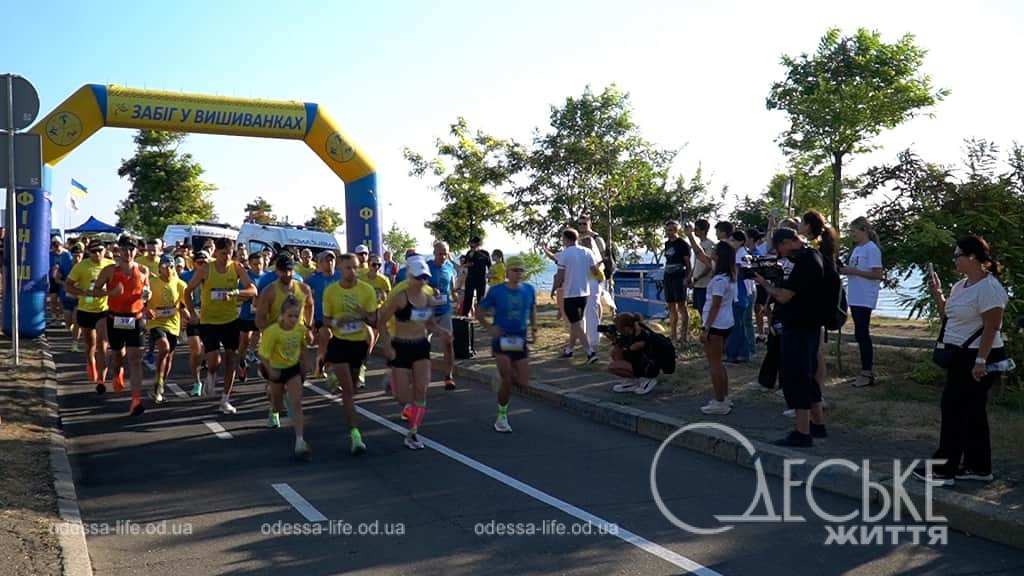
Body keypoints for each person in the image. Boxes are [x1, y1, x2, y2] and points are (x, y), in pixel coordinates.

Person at [913, 236, 1009, 487]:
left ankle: (945, 469)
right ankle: (979, 466)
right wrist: (938, 294)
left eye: (958, 255)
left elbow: (992, 326)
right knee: (972, 412)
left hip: (978, 356)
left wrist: (980, 360)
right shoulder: (961, 286)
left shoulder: (989, 288)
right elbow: (949, 314)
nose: (954, 259)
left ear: (973, 257)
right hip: (958, 355)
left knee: (954, 409)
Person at [754, 227, 829, 447]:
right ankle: (817, 425)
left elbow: (785, 296)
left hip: (800, 327)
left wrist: (766, 285)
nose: (781, 254)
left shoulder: (806, 262)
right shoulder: (814, 256)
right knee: (808, 375)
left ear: (788, 242)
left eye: (780, 249)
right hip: (809, 326)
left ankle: (802, 432)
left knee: (797, 378)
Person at [183, 238, 257, 413]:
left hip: (230, 320)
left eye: (230, 253)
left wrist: (236, 292)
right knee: (214, 360)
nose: (226, 257)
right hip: (209, 321)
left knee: (231, 359)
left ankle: (225, 399)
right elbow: (187, 291)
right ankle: (210, 374)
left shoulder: (236, 267)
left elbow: (253, 290)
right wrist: (193, 314)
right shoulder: (206, 268)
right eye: (223, 253)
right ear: (216, 253)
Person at [377, 258, 441, 450]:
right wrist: (387, 345)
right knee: (403, 398)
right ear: (410, 277)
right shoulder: (400, 297)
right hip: (401, 346)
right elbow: (382, 321)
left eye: (425, 278)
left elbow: (429, 323)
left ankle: (413, 433)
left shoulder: (429, 297)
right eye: (419, 277)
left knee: (422, 389)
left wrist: (441, 331)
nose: (422, 281)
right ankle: (393, 382)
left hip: (420, 346)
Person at [322, 253, 379, 454]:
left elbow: (374, 319)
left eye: (355, 267)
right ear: (339, 268)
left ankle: (337, 376)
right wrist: (338, 322)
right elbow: (326, 320)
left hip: (359, 344)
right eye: (348, 268)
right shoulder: (331, 292)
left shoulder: (367, 290)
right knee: (347, 391)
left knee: (353, 389)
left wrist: (363, 314)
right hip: (339, 343)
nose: (352, 272)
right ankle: (355, 436)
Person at [476, 255, 537, 432]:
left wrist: (534, 329)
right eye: (515, 270)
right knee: (508, 377)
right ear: (507, 272)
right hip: (501, 339)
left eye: (520, 270)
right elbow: (479, 312)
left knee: (524, 383)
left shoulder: (529, 290)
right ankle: (501, 416)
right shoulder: (496, 291)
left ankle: (501, 380)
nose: (518, 273)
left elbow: (532, 308)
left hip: (520, 339)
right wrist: (490, 327)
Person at [92, 236, 151, 416]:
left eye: (132, 249)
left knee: (135, 358)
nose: (129, 253)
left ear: (136, 251)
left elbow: (146, 293)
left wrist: (147, 302)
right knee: (117, 355)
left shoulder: (143, 270)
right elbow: (95, 291)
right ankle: (117, 370)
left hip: (136, 318)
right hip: (115, 318)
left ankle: (136, 401)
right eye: (125, 249)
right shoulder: (110, 270)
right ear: (119, 250)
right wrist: (111, 292)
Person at [259, 295, 313, 460]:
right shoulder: (272, 332)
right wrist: (270, 371)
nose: (293, 319)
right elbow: (263, 356)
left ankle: (299, 440)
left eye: (297, 316)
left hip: (292, 369)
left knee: (297, 403)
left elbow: (304, 346)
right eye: (290, 315)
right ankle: (273, 408)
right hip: (276, 369)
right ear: (282, 315)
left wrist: (305, 365)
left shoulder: (300, 329)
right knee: (278, 405)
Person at [689, 234, 738, 415]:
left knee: (714, 364)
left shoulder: (719, 280)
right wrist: (690, 236)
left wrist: (706, 328)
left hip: (716, 325)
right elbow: (701, 255)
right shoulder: (728, 274)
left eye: (715, 251)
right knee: (719, 363)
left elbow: (715, 305)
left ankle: (720, 402)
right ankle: (724, 397)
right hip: (726, 322)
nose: (712, 253)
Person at [65, 240, 115, 390]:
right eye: (94, 251)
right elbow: (68, 285)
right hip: (85, 310)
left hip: (104, 310)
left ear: (105, 250)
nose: (98, 254)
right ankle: (90, 361)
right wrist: (82, 292)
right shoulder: (81, 266)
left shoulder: (111, 265)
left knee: (103, 345)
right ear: (89, 252)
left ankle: (101, 379)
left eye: (100, 250)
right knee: (90, 344)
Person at [841, 217, 884, 388]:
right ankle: (864, 371)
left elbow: (877, 274)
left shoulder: (871, 249)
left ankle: (867, 372)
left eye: (854, 231)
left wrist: (854, 271)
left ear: (864, 230)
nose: (851, 234)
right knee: (859, 334)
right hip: (855, 295)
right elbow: (854, 270)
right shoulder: (857, 249)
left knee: (862, 333)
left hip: (865, 296)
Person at [800, 210, 839, 396]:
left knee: (814, 354)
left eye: (802, 222)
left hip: (815, 306)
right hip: (819, 305)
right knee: (816, 353)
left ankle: (815, 396)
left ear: (808, 226)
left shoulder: (814, 248)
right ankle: (816, 395)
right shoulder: (822, 246)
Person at [552, 228, 601, 364]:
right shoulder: (587, 252)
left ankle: (590, 352)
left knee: (575, 324)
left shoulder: (565, 254)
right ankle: (569, 350)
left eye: (563, 239)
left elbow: (560, 276)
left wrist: (554, 288)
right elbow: (595, 271)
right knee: (576, 323)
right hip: (584, 294)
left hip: (570, 294)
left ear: (566, 239)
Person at [144, 255, 188, 403]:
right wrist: (145, 309)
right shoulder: (151, 283)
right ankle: (158, 382)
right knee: (164, 347)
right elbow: (141, 300)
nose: (168, 270)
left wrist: (188, 316)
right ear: (159, 269)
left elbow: (183, 304)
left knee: (169, 356)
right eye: (164, 267)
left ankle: (161, 381)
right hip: (156, 322)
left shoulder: (180, 284)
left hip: (173, 323)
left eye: (171, 267)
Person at [607, 312, 664, 396]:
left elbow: (632, 349)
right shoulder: (627, 335)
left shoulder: (641, 335)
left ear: (626, 328)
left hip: (649, 367)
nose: (617, 330)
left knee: (614, 365)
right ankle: (632, 381)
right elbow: (619, 351)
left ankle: (647, 379)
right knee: (614, 353)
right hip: (639, 364)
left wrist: (626, 348)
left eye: (618, 328)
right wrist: (614, 340)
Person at [426, 242, 458, 390]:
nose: (443, 256)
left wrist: (457, 299)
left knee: (448, 342)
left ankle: (448, 376)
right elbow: (417, 285)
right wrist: (430, 289)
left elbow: (452, 288)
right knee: (422, 346)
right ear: (434, 252)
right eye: (440, 253)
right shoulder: (427, 267)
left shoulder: (449, 267)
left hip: (444, 310)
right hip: (427, 312)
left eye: (445, 253)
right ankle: (420, 374)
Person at [305, 251, 340, 379]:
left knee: (334, 344)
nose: (330, 263)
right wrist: (309, 318)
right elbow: (303, 294)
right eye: (326, 260)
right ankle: (318, 367)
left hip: (339, 317)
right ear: (319, 263)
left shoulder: (340, 276)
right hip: (321, 317)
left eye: (332, 260)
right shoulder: (313, 279)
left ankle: (327, 365)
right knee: (326, 336)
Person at [577, 216, 608, 353]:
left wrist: (598, 269)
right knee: (587, 307)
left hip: (596, 275)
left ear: (589, 223)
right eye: (580, 224)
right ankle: (587, 335)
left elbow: (604, 256)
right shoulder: (577, 238)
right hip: (583, 277)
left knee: (594, 306)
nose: (582, 226)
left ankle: (595, 335)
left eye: (584, 223)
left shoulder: (597, 238)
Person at [725, 230, 755, 363]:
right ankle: (742, 352)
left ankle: (738, 353)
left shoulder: (740, 256)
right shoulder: (743, 254)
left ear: (740, 241)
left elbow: (736, 275)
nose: (731, 243)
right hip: (744, 292)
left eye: (733, 240)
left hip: (740, 293)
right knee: (741, 324)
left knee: (738, 325)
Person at [180, 251, 207, 395]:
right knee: (196, 349)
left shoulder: (212, 276)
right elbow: (178, 296)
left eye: (205, 262)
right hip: (192, 315)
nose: (202, 265)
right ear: (194, 262)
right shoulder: (185, 276)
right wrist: (183, 313)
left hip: (209, 316)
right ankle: (197, 381)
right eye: (199, 262)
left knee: (207, 350)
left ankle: (206, 372)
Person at [236, 251, 266, 383]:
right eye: (255, 264)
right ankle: (241, 361)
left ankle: (253, 353)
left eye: (260, 263)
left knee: (259, 336)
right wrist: (251, 297)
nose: (258, 266)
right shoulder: (246, 277)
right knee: (244, 341)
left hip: (262, 314)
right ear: (250, 264)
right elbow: (239, 296)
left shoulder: (267, 277)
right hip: (247, 314)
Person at [662, 220, 692, 345]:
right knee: (671, 306)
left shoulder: (683, 244)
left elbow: (688, 264)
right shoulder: (667, 244)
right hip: (668, 276)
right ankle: (673, 335)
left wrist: (687, 278)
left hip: (679, 276)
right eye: (668, 230)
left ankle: (683, 336)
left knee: (681, 306)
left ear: (676, 230)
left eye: (672, 230)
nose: (669, 233)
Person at [58, 243, 84, 351]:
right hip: (68, 297)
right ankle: (75, 331)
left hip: (81, 298)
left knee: (76, 320)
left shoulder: (85, 266)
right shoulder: (66, 265)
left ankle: (75, 344)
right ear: (71, 255)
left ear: (82, 255)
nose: (77, 258)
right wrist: (65, 284)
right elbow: (57, 278)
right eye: (75, 255)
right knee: (68, 322)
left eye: (79, 255)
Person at [690, 220, 717, 320]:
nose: (694, 231)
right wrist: (691, 277)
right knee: (700, 311)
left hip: (705, 285)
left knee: (705, 311)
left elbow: (709, 266)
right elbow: (697, 264)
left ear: (703, 230)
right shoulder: (699, 244)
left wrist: (697, 278)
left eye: (696, 229)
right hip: (698, 284)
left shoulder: (709, 245)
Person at [460, 237, 491, 316]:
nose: (471, 246)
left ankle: (480, 316)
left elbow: (489, 266)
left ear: (478, 244)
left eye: (473, 244)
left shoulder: (485, 253)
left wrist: (490, 275)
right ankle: (465, 315)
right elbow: (465, 264)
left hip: (481, 279)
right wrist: (468, 262)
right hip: (470, 279)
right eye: (470, 244)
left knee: (480, 298)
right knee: (468, 297)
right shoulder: (469, 253)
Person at [48, 238, 69, 323]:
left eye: (58, 245)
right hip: (52, 280)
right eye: (54, 245)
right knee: (53, 299)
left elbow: (69, 268)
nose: (56, 247)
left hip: (63, 279)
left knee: (62, 300)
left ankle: (61, 316)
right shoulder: (49, 255)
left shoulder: (67, 255)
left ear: (62, 245)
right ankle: (54, 316)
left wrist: (61, 274)